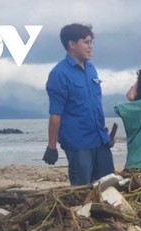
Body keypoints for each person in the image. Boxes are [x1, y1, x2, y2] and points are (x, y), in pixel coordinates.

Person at [43, 23, 115, 185]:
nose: (91, 47)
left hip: (100, 141)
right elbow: (55, 113)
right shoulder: (59, 74)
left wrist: (104, 134)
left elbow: (93, 106)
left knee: (109, 187)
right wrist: (51, 147)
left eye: (91, 43)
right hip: (78, 144)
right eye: (86, 42)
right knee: (82, 192)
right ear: (72, 44)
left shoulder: (91, 68)